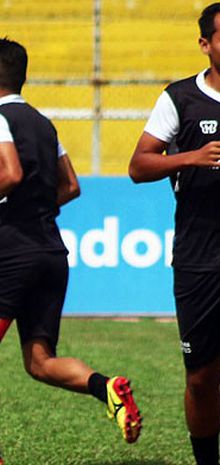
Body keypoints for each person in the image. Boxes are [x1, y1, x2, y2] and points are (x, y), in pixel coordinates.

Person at [0, 38, 142, 465]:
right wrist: (21, 205)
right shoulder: (43, 123)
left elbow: (11, 172)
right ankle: (105, 386)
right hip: (51, 251)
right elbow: (71, 185)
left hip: (13, 251)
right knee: (39, 360)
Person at [129, 4, 220, 464]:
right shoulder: (181, 99)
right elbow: (139, 165)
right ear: (206, 44)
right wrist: (191, 157)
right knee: (202, 379)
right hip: (200, 260)